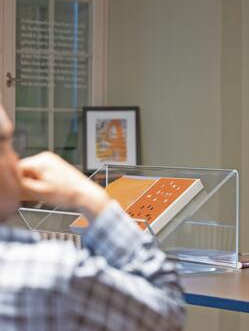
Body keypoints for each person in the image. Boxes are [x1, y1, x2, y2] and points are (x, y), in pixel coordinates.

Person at [0, 103, 185, 330]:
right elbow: (167, 314)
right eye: (9, 144)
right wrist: (90, 197)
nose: (16, 159)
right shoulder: (58, 275)